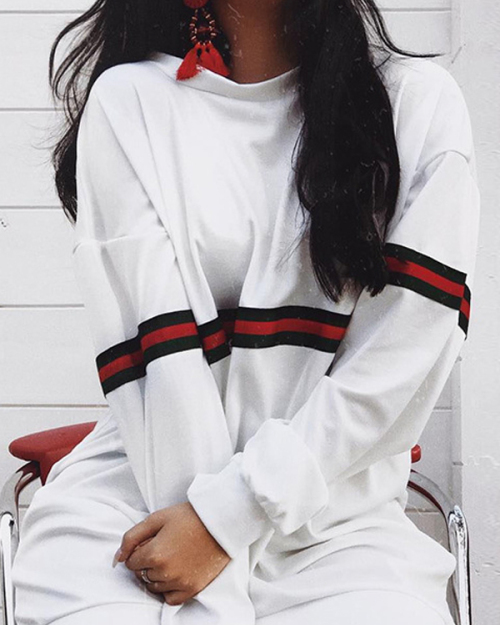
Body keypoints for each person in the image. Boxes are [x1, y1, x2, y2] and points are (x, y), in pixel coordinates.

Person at [11, 0, 480, 624]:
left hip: (336, 525)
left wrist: (231, 516)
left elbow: (399, 364)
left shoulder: (418, 106)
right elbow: (165, 369)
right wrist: (207, 544)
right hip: (143, 498)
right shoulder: (129, 103)